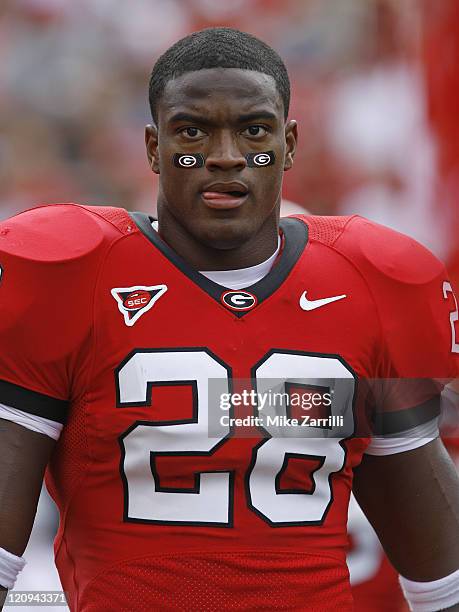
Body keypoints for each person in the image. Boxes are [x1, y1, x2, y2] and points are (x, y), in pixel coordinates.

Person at [0, 27, 459, 612]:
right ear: (152, 146)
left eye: (254, 130)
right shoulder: (69, 274)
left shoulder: (369, 283)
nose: (225, 155)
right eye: (193, 131)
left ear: (290, 144)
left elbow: (443, 579)